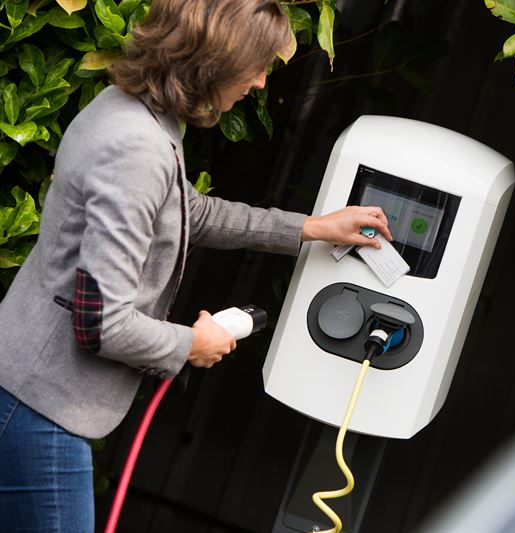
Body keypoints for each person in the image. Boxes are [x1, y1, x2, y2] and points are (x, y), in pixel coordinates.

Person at [0, 1, 392, 530]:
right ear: (214, 62)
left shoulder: (128, 110)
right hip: (40, 405)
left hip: (25, 391)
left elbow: (191, 212)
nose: (260, 82)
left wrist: (313, 227)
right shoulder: (138, 150)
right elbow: (103, 323)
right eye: (256, 67)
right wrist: (191, 344)